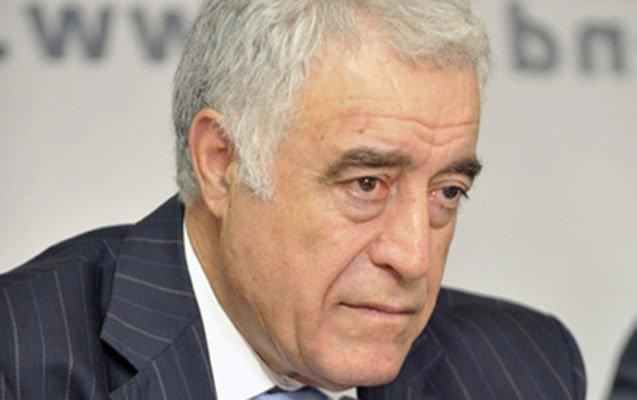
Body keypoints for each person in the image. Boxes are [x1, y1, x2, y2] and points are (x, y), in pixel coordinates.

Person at [0, 0, 586, 399]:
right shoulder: (22, 358)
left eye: (448, 192)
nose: (414, 258)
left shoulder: (526, 371)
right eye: (367, 184)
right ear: (222, 162)